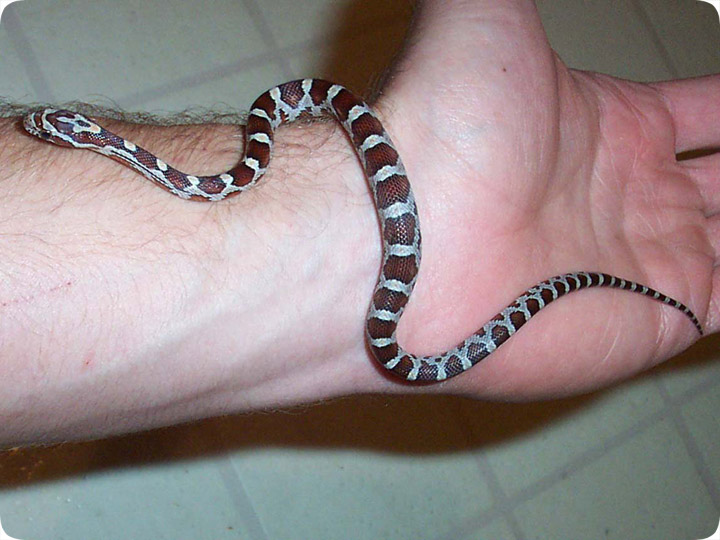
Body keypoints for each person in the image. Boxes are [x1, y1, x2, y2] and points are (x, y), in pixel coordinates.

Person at [0, 0, 716, 445]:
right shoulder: (161, 158)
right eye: (53, 127)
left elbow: (253, 157)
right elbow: (244, 167)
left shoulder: (236, 157)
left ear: (78, 131)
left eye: (53, 126)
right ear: (82, 133)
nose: (47, 124)